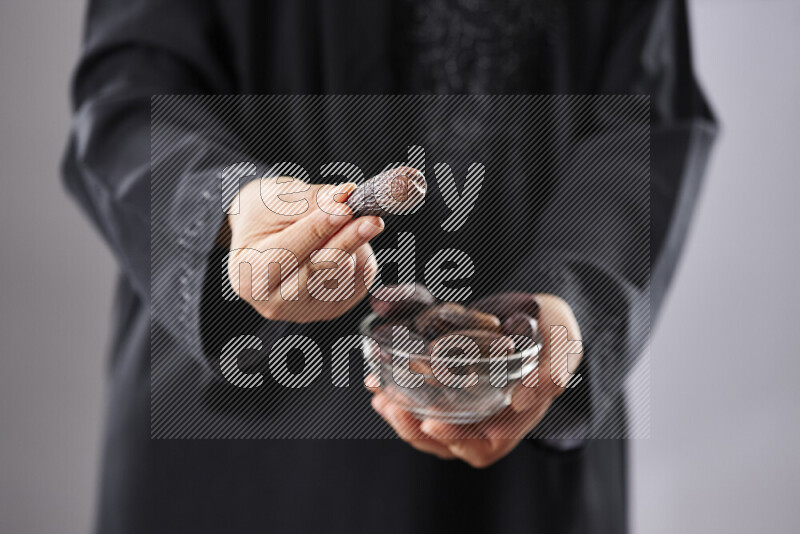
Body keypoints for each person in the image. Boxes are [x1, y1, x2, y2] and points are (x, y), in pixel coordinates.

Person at [63, 0, 715, 532]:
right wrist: (227, 207)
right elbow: (127, 97)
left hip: (516, 426)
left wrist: (574, 298)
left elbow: (646, 117)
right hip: (236, 446)